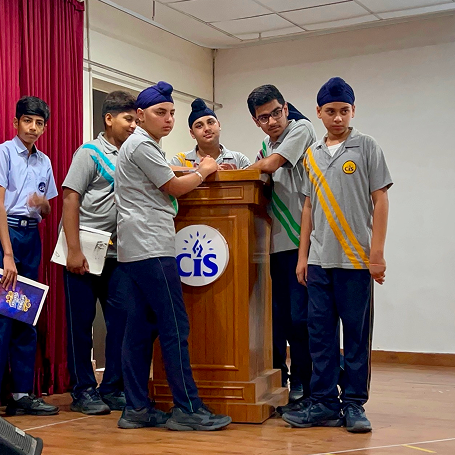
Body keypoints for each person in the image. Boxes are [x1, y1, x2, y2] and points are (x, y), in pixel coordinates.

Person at [115, 81, 232, 431]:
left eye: (171, 113)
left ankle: (136, 408)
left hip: (135, 249)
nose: (168, 119)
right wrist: (204, 170)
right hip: (152, 247)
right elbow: (174, 187)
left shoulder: (141, 145)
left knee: (139, 329)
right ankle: (187, 408)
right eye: (160, 112)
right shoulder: (142, 145)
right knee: (174, 326)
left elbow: (165, 175)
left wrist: (192, 171)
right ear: (140, 115)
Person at [283, 77, 392, 433]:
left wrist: (377, 254)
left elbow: (381, 200)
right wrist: (302, 257)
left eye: (344, 111)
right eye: (330, 111)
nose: (338, 118)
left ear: (353, 110)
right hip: (319, 262)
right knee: (320, 336)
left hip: (356, 262)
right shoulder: (311, 155)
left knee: (357, 336)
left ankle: (354, 404)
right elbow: (308, 208)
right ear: (318, 113)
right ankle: (325, 403)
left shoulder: (366, 147)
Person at [62, 91, 138, 415]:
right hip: (84, 252)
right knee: (81, 325)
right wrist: (74, 250)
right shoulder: (89, 153)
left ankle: (111, 387)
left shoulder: (132, 154)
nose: (133, 125)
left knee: (122, 320)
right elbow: (70, 198)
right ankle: (82, 390)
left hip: (117, 254)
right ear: (109, 119)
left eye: (136, 120)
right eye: (128, 119)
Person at [246, 85, 316, 410]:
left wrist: (244, 169)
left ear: (286, 108)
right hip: (276, 245)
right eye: (264, 117)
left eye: (276, 112)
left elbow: (271, 165)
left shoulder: (301, 129)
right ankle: (285, 379)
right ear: (256, 121)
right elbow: (260, 179)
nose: (272, 121)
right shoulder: (265, 144)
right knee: (282, 319)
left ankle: (307, 382)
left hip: (304, 241)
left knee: (302, 319)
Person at [0, 96, 59, 416]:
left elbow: (47, 209)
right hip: (6, 235)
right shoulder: (4, 153)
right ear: (16, 122)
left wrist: (43, 204)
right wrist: (7, 254)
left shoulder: (44, 161)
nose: (33, 128)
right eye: (27, 121)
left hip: (31, 236)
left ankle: (22, 393)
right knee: (2, 317)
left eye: (39, 123)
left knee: (25, 314)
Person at [170, 98, 250, 170]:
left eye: (211, 122)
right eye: (199, 126)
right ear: (192, 133)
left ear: (219, 125)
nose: (207, 128)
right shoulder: (180, 161)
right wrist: (199, 170)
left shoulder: (239, 160)